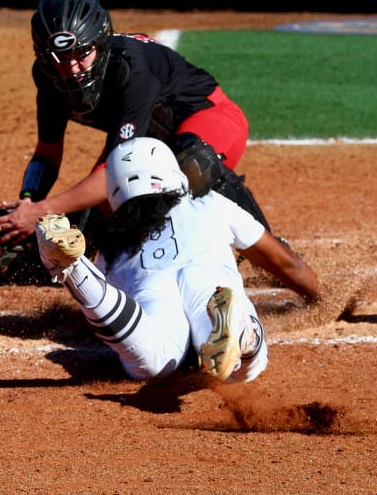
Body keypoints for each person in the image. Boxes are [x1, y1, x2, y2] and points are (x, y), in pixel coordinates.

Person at [0, 0, 272, 253]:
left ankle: (270, 245)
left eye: (81, 53)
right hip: (149, 141)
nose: (70, 68)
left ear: (100, 43)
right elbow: (47, 153)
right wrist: (28, 200)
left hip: (212, 121)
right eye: (58, 58)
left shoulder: (130, 66)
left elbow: (113, 171)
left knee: (191, 164)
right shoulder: (47, 77)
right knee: (95, 223)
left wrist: (44, 209)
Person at [35, 137, 321, 382]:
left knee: (153, 360)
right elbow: (287, 264)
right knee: (242, 369)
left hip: (152, 290)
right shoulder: (210, 205)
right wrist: (322, 298)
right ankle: (241, 330)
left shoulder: (113, 243)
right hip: (209, 282)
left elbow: (93, 326)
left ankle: (73, 269)